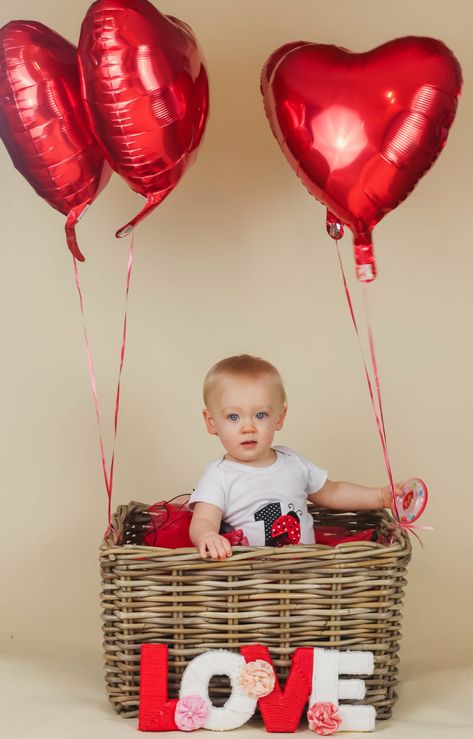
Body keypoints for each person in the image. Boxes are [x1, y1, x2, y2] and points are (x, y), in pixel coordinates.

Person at [189, 354, 399, 560]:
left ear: (279, 418)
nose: (248, 428)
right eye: (233, 417)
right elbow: (203, 519)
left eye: (260, 415)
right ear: (211, 422)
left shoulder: (293, 462)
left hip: (305, 574)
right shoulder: (219, 474)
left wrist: (380, 496)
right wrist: (207, 536)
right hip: (252, 578)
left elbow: (333, 492)